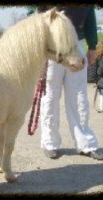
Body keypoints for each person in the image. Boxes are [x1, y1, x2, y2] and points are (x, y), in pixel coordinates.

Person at [34, 6, 103, 160]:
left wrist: (92, 47)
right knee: (50, 94)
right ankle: (50, 142)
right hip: (52, 44)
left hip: (76, 43)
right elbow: (34, 14)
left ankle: (85, 143)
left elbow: (90, 18)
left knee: (79, 95)